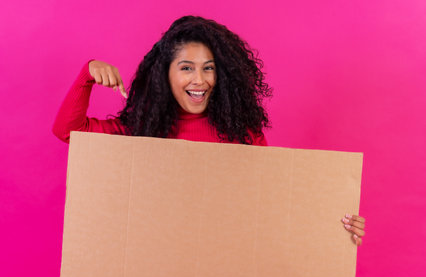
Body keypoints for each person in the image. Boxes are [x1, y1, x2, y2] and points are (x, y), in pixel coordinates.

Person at [52, 15, 366, 244]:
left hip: (222, 273)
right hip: (153, 273)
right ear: (166, 75)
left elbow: (274, 206)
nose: (199, 80)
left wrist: (336, 227)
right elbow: (68, 131)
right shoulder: (139, 131)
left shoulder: (242, 135)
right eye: (186, 68)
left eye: (209, 68)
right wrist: (87, 74)